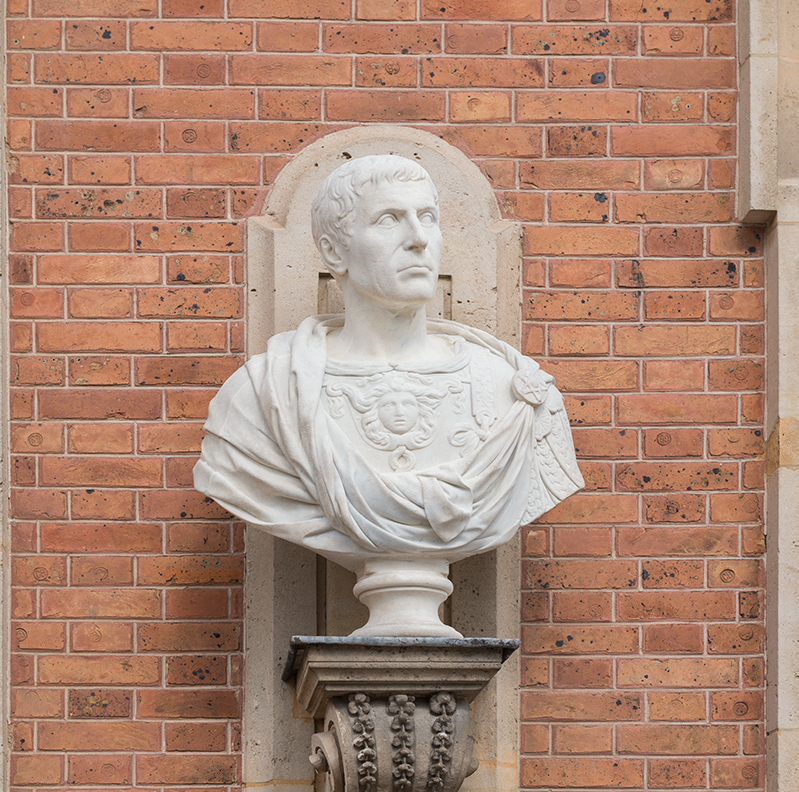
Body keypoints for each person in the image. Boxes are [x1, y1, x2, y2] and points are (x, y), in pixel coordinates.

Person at [193, 154, 583, 634]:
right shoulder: (261, 399)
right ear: (335, 252)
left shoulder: (514, 393)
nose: (418, 238)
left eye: (428, 218)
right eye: (389, 220)